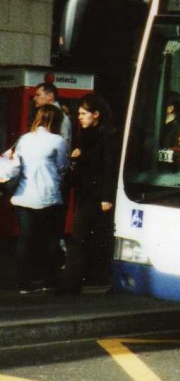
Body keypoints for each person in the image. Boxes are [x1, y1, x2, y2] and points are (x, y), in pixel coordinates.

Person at [61, 93, 119, 293]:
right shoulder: (85, 134)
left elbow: (109, 167)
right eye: (79, 113)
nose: (80, 117)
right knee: (82, 237)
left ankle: (75, 281)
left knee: (85, 237)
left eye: (84, 113)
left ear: (96, 114)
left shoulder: (107, 135)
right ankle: (77, 280)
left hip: (97, 196)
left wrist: (107, 197)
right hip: (85, 193)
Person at [10, 104, 69, 293]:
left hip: (23, 195)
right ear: (56, 122)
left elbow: (16, 164)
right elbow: (62, 167)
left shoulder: (24, 139)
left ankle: (23, 283)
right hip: (48, 196)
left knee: (25, 239)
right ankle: (49, 281)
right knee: (50, 238)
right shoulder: (58, 141)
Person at [33, 81, 72, 151]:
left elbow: (63, 144)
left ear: (50, 96)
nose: (34, 98)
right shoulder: (44, 114)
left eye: (38, 95)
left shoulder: (61, 117)